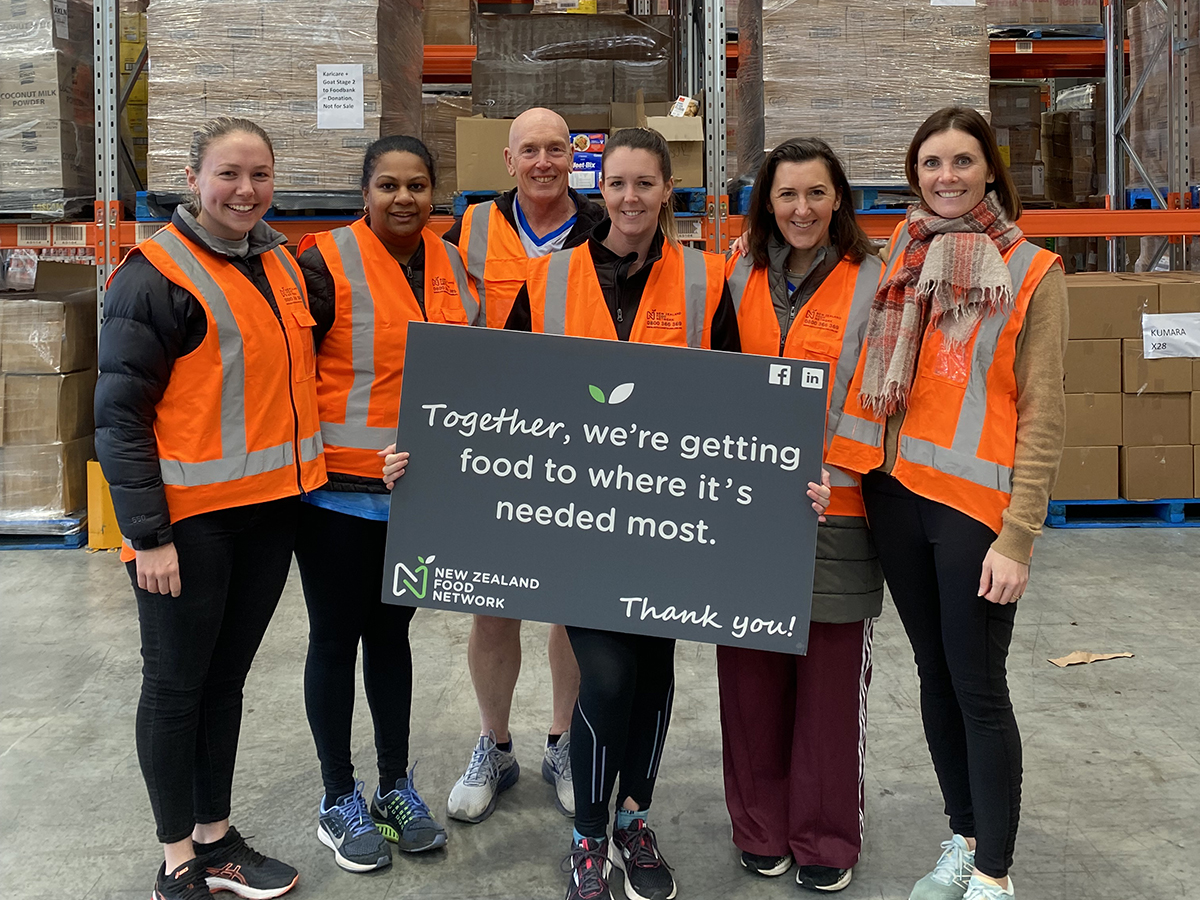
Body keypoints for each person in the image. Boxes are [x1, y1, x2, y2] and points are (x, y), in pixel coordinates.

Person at [497, 125, 828, 900]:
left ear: (666, 190)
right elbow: (500, 391)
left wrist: (788, 477)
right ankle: (588, 834)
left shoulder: (707, 281)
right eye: (616, 184)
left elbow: (744, 398)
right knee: (605, 676)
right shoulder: (547, 281)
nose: (631, 198)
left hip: (670, 522)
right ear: (599, 189)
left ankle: (635, 818)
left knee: (650, 676)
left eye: (645, 184)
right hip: (575, 523)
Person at [827, 107, 1067, 900]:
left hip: (974, 511)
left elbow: (1045, 412)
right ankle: (964, 837)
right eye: (932, 163)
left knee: (977, 684)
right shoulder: (904, 250)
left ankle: (995, 876)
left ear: (991, 172)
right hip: (896, 494)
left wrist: (1019, 536)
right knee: (933, 673)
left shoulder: (1033, 271)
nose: (947, 177)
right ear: (914, 174)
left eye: (963, 162)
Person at [95, 116, 324, 900]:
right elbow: (119, 416)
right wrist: (148, 534)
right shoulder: (153, 276)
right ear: (193, 179)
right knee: (174, 685)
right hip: (188, 526)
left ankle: (216, 838)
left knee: (224, 681)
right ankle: (175, 861)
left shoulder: (283, 265)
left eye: (259, 174)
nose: (245, 190)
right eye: (228, 174)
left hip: (266, 515)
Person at [294, 135, 477, 872]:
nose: (404, 198)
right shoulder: (322, 263)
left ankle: (396, 784)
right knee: (335, 639)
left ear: (434, 193)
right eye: (388, 185)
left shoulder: (452, 263)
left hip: (417, 495)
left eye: (417, 186)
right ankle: (339, 796)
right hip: (337, 495)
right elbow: (289, 371)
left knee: (391, 637)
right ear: (364, 191)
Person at [719, 138, 885, 893]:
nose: (802, 210)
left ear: (839, 200)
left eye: (817, 194)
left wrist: (838, 466)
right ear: (767, 204)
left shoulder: (877, 282)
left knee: (827, 684)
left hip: (838, 511)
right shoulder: (738, 273)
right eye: (787, 196)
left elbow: (891, 396)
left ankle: (824, 833)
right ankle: (759, 825)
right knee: (750, 678)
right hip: (746, 513)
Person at [440, 107, 605, 825]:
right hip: (494, 440)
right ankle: (495, 744)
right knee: (493, 601)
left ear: (574, 158)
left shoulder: (603, 225)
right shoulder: (470, 228)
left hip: (582, 438)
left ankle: (563, 743)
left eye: (556, 149)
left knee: (571, 602)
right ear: (507, 161)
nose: (544, 161)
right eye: (530, 150)